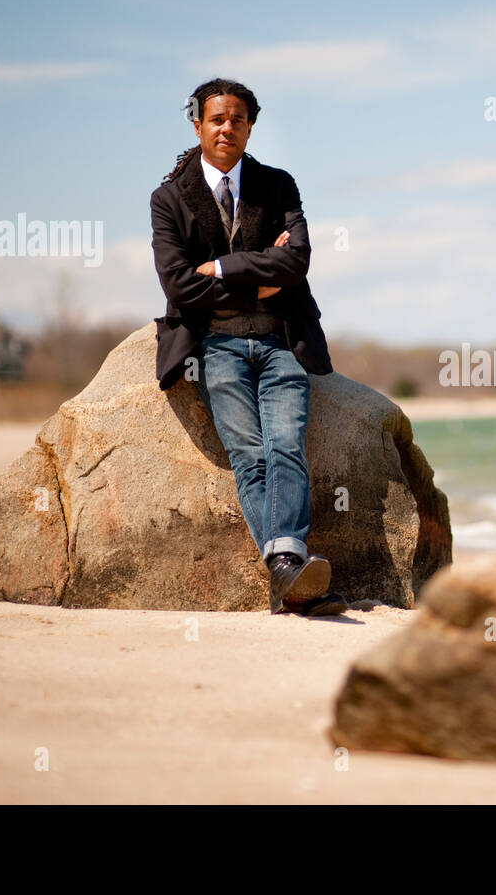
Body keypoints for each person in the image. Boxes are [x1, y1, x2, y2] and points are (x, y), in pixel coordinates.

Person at [150, 78, 346, 617]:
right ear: (197, 125)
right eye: (217, 118)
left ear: (250, 126)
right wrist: (259, 275)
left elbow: (297, 262)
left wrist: (223, 267)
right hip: (214, 345)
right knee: (250, 454)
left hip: (282, 339)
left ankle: (285, 567)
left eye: (238, 119)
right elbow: (179, 285)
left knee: (285, 443)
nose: (227, 127)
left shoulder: (277, 185)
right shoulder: (168, 198)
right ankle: (290, 569)